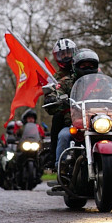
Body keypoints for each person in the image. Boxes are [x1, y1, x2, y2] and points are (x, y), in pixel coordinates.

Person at [44, 48, 99, 168]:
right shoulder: (67, 82)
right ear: (75, 66)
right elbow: (56, 92)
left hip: (100, 123)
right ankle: (61, 167)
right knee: (63, 136)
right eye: (83, 65)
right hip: (75, 124)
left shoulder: (102, 82)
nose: (88, 68)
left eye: (91, 65)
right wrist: (53, 98)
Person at [45, 38, 77, 167]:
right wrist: (52, 98)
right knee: (57, 120)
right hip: (69, 113)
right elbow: (51, 92)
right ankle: (56, 161)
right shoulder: (56, 77)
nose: (65, 56)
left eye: (68, 52)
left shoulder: (86, 71)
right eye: (62, 54)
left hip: (90, 112)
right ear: (57, 56)